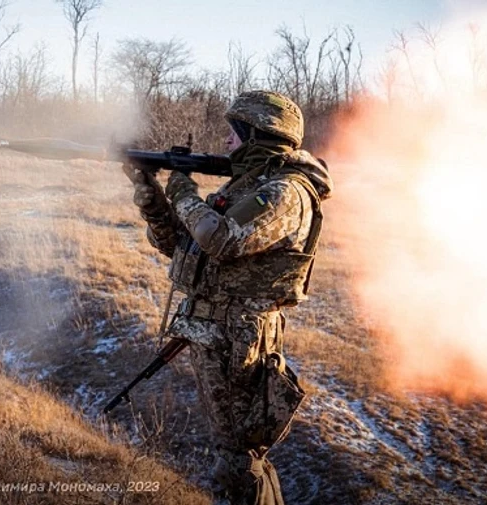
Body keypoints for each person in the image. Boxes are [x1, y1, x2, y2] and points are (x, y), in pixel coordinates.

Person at [122, 90, 333, 504]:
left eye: (233, 133)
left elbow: (219, 238)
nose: (225, 142)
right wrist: (155, 202)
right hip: (218, 333)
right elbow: (188, 247)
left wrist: (183, 190)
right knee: (234, 450)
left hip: (241, 339)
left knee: (240, 457)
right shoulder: (246, 187)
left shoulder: (285, 193)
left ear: (258, 135)